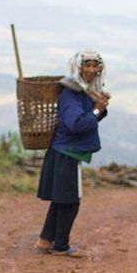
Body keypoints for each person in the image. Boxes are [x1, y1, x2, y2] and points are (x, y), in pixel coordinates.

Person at [34, 50, 110, 258]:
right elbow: (76, 124)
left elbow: (89, 119)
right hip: (65, 154)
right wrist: (96, 110)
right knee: (70, 202)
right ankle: (60, 246)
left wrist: (99, 109)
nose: (92, 70)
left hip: (66, 153)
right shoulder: (70, 94)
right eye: (87, 66)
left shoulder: (82, 92)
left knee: (61, 199)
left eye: (95, 66)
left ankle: (45, 241)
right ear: (78, 68)